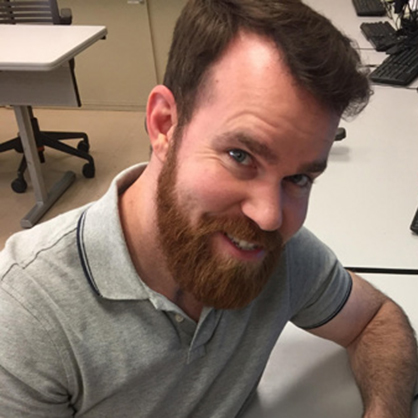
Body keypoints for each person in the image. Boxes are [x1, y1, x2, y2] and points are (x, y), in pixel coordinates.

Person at [0, 0, 417, 416]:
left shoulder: (276, 255)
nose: (269, 217)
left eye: (299, 178)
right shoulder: (27, 316)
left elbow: (376, 319)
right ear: (164, 124)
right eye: (240, 156)